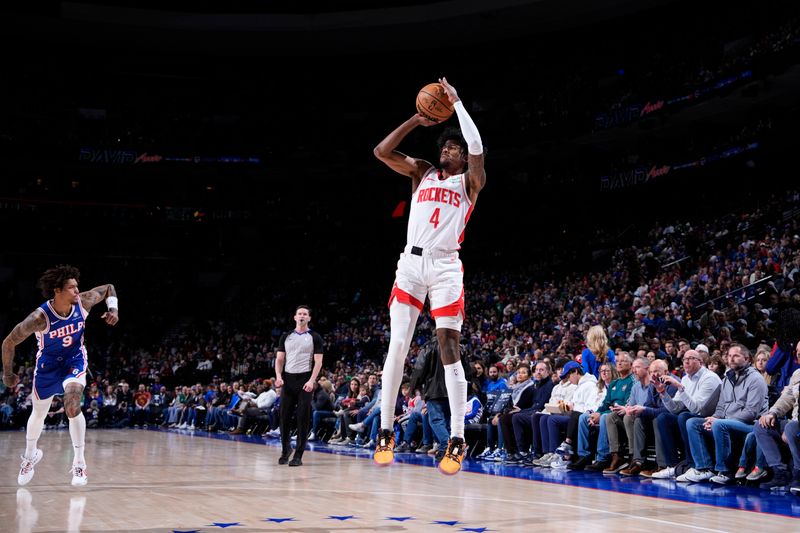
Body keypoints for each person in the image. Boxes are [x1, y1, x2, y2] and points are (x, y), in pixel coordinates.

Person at [372, 77, 485, 475]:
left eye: (452, 147)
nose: (447, 149)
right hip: (411, 263)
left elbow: (477, 149)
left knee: (448, 345)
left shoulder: (469, 182)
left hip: (445, 265)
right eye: (444, 145)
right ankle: (385, 431)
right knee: (398, 344)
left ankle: (456, 438)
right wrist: (414, 121)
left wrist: (456, 103)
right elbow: (381, 151)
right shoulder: (421, 173)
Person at [2, 265, 119, 486]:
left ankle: (79, 463)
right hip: (47, 366)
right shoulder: (39, 317)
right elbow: (9, 341)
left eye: (77, 287)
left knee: (73, 402)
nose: (77, 291)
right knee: (39, 413)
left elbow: (109, 288)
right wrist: (8, 373)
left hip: (74, 360)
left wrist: (113, 310)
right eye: (72, 288)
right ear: (58, 291)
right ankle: (30, 455)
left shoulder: (82, 302)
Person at [273, 305, 324, 467]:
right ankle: (285, 449)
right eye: (299, 313)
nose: (302, 316)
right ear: (295, 317)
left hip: (304, 380)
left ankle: (299, 454)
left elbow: (319, 361)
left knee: (302, 417)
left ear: (309, 318)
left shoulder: (315, 337)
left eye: (305, 314)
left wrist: (312, 380)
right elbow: (280, 359)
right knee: (284, 417)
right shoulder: (286, 336)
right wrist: (278, 377)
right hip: (288, 380)